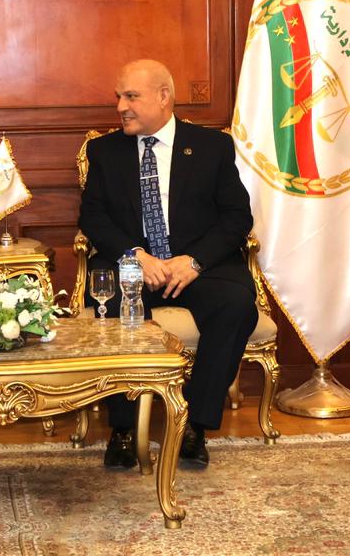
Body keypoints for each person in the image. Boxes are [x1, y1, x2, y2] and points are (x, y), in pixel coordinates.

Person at [78, 59, 258, 470]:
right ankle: (123, 429)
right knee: (112, 306)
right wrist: (136, 255)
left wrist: (194, 261)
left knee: (235, 306)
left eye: (131, 96)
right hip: (134, 264)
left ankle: (195, 424)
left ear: (163, 97)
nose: (120, 106)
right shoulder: (104, 151)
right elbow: (93, 217)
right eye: (118, 97)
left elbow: (237, 217)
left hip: (196, 265)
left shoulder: (212, 146)